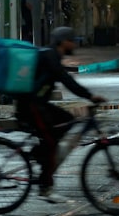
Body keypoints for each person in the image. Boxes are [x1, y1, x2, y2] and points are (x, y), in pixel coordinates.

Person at [16, 26, 106, 203]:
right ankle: (45, 186)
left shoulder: (52, 55)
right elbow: (66, 80)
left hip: (38, 104)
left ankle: (40, 154)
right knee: (51, 142)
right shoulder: (51, 57)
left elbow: (64, 79)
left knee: (68, 120)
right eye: (72, 40)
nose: (74, 44)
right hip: (31, 106)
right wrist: (90, 96)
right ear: (63, 42)